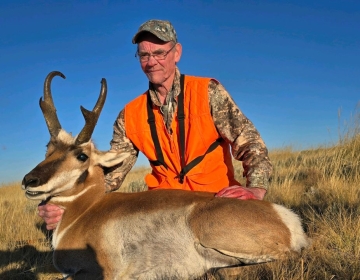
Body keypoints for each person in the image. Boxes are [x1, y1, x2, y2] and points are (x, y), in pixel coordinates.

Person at [38, 19, 273, 230]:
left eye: (159, 53)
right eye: (144, 55)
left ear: (176, 52)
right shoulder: (129, 115)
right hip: (163, 213)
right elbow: (110, 176)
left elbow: (250, 142)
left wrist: (256, 188)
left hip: (216, 202)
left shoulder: (208, 92)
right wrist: (65, 203)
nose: (151, 62)